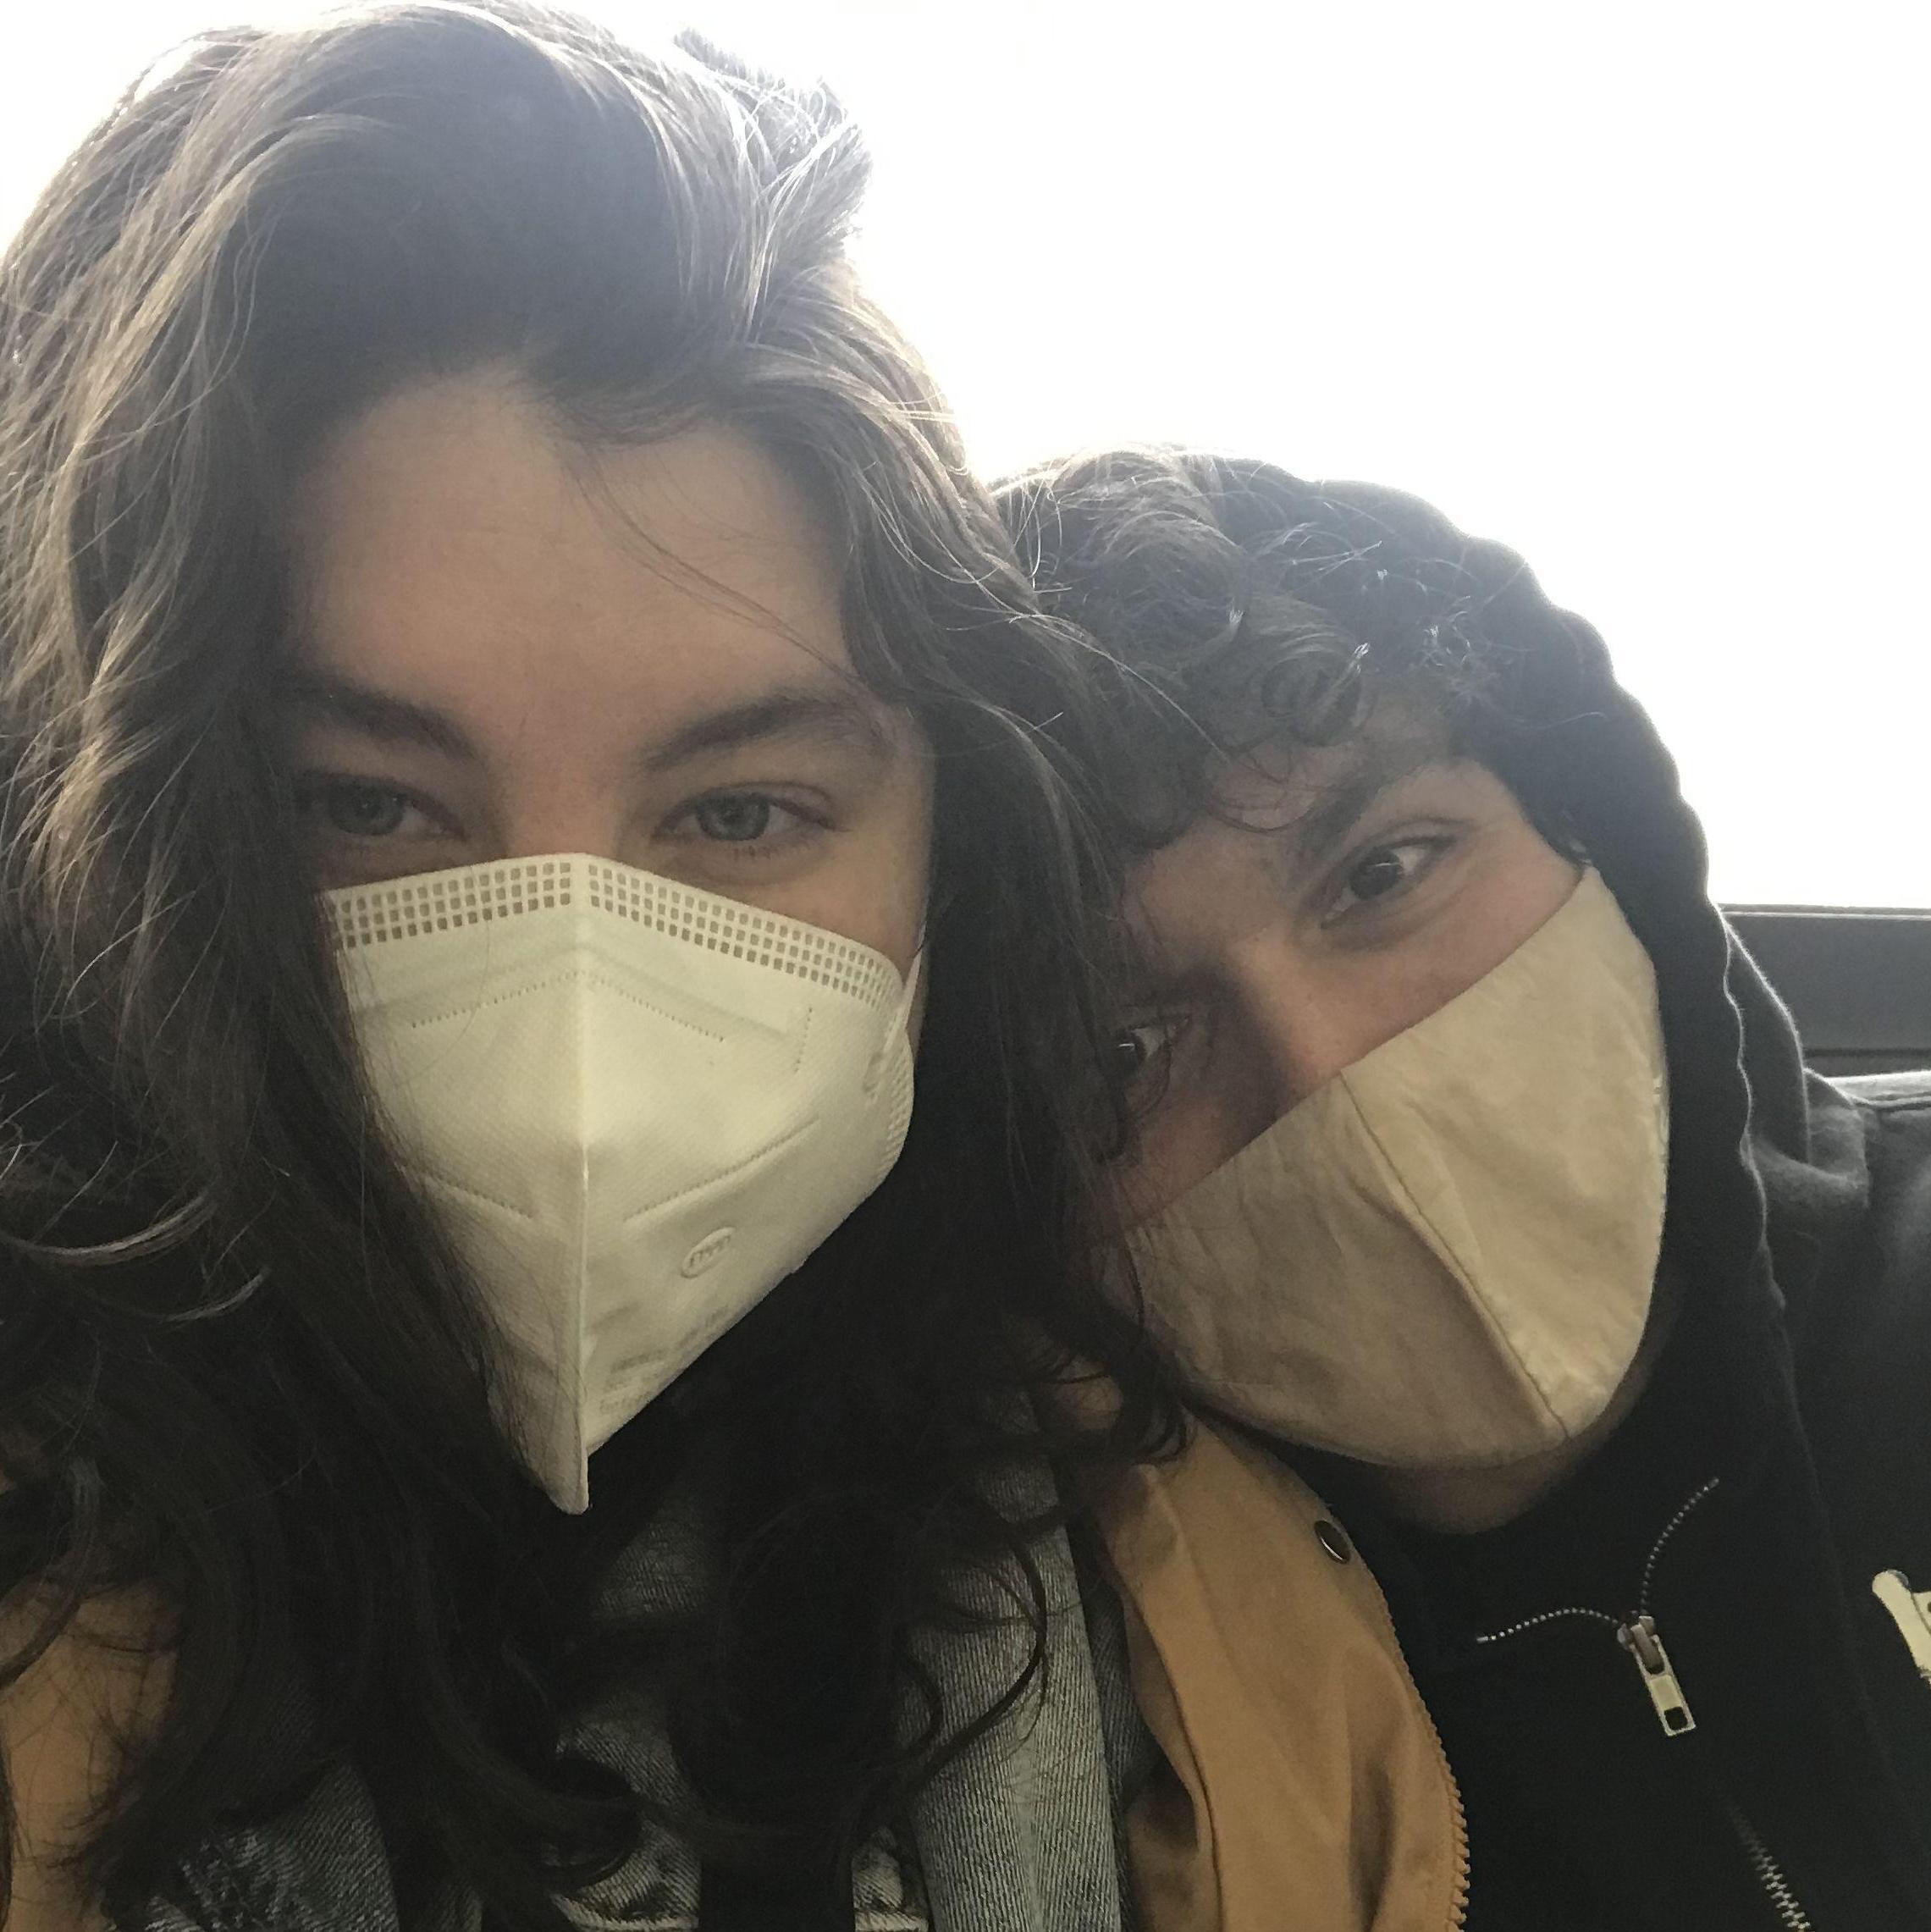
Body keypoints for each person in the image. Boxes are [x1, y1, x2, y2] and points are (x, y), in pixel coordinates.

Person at [0, 11, 1178, 1929]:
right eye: (365, 805)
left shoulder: (1161, 1568)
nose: (575, 1077)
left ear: (953, 857)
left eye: (738, 812)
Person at [1000, 448, 1931, 1930]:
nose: (1327, 1072)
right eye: (1121, 1049)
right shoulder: (1109, 1714)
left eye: (1384, 871)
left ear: (1591, 841)